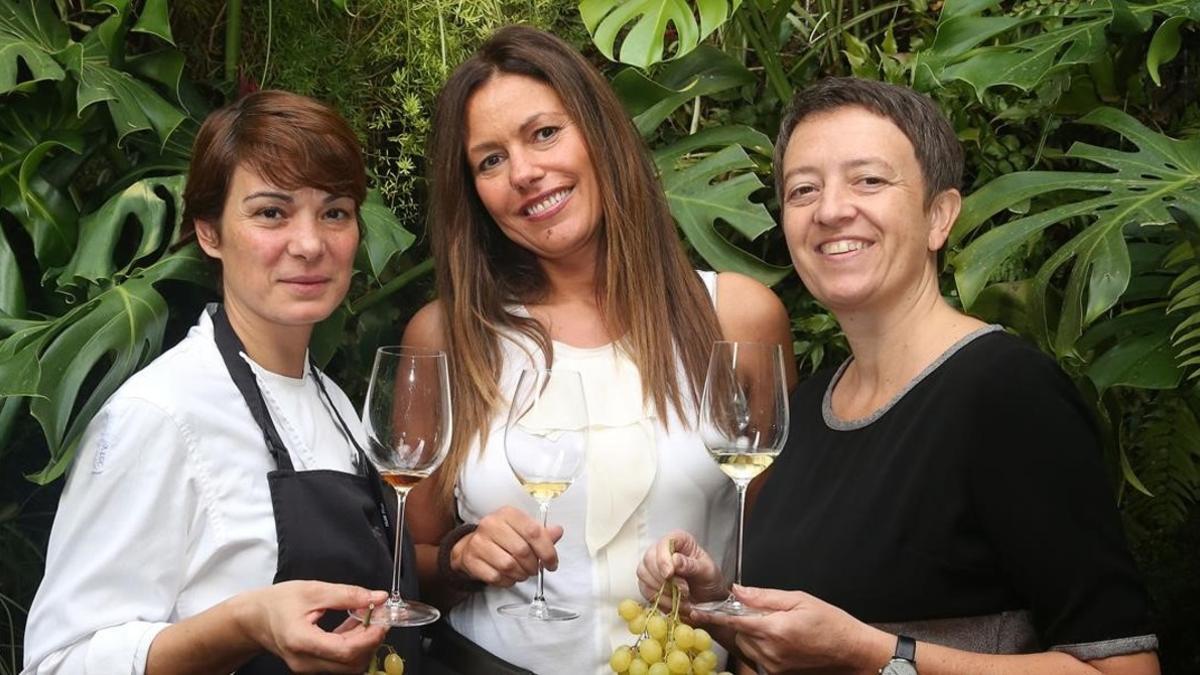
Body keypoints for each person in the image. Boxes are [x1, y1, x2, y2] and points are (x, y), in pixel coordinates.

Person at [638, 77, 1160, 674]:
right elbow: (814, 619)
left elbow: (1122, 669)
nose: (832, 210)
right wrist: (720, 602)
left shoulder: (1006, 394)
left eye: (869, 180)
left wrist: (877, 655)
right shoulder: (809, 408)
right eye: (804, 189)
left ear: (939, 216)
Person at [402, 25, 796, 675]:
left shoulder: (735, 318)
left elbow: (779, 565)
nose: (525, 172)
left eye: (544, 133)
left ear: (599, 135)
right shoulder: (449, 336)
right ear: (472, 192)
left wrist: (717, 594)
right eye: (490, 160)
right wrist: (459, 556)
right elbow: (405, 564)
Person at [23, 90, 425, 674]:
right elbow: (58, 662)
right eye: (271, 213)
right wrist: (241, 624)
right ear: (209, 233)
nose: (310, 244)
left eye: (334, 212)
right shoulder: (159, 414)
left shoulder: (334, 400)